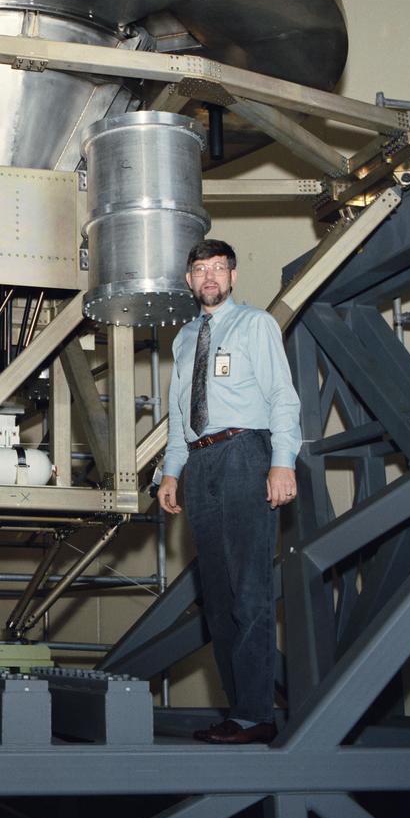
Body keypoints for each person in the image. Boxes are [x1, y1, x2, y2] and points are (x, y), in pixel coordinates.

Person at [157, 238, 301, 745]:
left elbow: (282, 396)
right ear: (190, 281)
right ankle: (239, 709)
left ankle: (257, 713)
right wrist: (171, 472)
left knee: (249, 592)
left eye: (219, 268)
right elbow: (179, 412)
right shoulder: (184, 339)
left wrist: (282, 463)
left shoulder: (256, 325)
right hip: (201, 462)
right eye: (200, 269)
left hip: (245, 452)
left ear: (233, 277)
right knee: (217, 598)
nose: (210, 277)